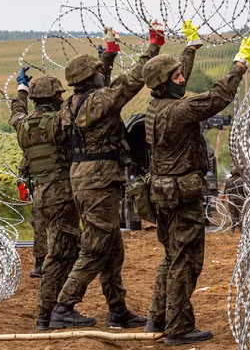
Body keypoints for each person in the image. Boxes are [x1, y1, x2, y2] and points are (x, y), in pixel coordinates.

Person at [142, 29, 250, 345]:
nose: (182, 79)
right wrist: (240, 64)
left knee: (172, 256)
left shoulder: (155, 108)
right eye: (178, 76)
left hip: (163, 194)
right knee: (187, 261)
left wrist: (191, 49)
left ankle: (157, 318)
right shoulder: (178, 111)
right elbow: (217, 98)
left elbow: (173, 81)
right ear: (165, 82)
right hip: (182, 198)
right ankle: (179, 327)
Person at [49, 22, 166, 329]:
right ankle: (64, 305)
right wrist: (153, 47)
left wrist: (110, 53)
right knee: (96, 246)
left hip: (84, 177)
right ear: (92, 77)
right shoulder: (99, 101)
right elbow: (130, 82)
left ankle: (117, 309)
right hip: (99, 179)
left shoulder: (71, 105)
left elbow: (107, 84)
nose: (103, 72)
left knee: (112, 247)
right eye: (99, 70)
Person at [9, 70, 80, 331]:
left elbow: (16, 111)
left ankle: (54, 310)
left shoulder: (23, 123)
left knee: (65, 250)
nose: (63, 97)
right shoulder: (58, 122)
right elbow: (78, 107)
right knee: (62, 254)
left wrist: (21, 89)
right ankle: (48, 313)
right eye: (59, 94)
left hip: (40, 193)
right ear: (52, 98)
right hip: (60, 192)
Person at [18, 154, 48, 278]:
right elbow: (21, 173)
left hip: (61, 192)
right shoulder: (31, 153)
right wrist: (22, 188)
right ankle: (40, 264)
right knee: (39, 225)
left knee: (65, 226)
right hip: (39, 194)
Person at [223, 164, 246, 232]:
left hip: (231, 199)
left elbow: (225, 190)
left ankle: (232, 229)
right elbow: (245, 190)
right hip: (241, 199)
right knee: (240, 213)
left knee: (232, 213)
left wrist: (224, 198)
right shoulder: (242, 180)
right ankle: (241, 229)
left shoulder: (229, 181)